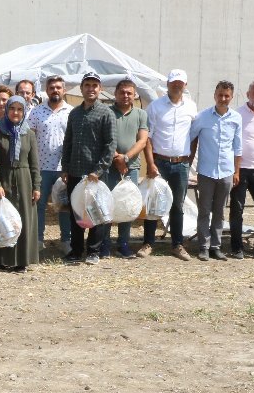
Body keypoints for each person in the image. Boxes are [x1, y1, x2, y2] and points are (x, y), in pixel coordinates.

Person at [137, 69, 198, 260]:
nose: (177, 85)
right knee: (153, 204)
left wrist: (189, 160)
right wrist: (151, 163)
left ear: (185, 85)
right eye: (174, 82)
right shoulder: (155, 107)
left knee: (177, 206)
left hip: (181, 164)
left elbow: (194, 136)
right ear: (168, 84)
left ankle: (177, 244)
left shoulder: (191, 107)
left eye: (180, 83)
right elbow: (148, 139)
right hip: (160, 163)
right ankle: (148, 243)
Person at [61, 72, 116, 265]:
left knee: (96, 213)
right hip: (75, 172)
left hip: (96, 175)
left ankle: (94, 250)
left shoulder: (106, 113)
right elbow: (68, 142)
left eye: (94, 85)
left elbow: (111, 144)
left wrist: (98, 170)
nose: (91, 89)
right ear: (81, 88)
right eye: (87, 85)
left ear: (100, 89)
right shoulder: (74, 113)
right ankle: (76, 250)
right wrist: (65, 167)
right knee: (76, 211)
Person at [0, 96, 40, 272]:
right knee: (2, 219)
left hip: (24, 181)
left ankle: (21, 260)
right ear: (6, 110)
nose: (15, 112)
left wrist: (37, 186)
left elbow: (34, 163)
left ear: (24, 112)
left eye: (19, 109)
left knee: (23, 219)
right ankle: (2, 259)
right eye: (12, 108)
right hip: (4, 179)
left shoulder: (29, 134)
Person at [190, 80, 242, 261]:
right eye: (220, 95)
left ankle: (216, 246)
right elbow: (191, 139)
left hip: (226, 172)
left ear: (231, 97)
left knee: (219, 211)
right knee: (204, 210)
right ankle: (203, 247)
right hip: (206, 172)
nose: (223, 98)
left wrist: (236, 172)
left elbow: (238, 147)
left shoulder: (236, 118)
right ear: (214, 95)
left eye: (227, 96)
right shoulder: (202, 117)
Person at [103, 80, 149, 259]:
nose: (125, 96)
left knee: (128, 206)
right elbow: (104, 138)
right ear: (115, 94)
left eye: (129, 93)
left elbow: (142, 140)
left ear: (134, 95)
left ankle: (123, 244)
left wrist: (126, 158)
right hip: (109, 167)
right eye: (122, 92)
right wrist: (116, 157)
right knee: (108, 204)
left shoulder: (141, 114)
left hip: (132, 168)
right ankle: (105, 244)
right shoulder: (106, 112)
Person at [27, 75, 72, 253]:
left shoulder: (72, 111)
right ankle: (38, 240)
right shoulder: (36, 112)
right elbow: (29, 139)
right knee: (39, 205)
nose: (55, 90)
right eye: (52, 87)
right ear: (47, 90)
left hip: (63, 168)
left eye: (58, 87)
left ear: (64, 90)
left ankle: (66, 241)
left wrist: (69, 167)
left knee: (64, 205)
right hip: (41, 168)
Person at [229, 79, 254, 259]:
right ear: (248, 94)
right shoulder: (237, 114)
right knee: (236, 210)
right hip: (240, 169)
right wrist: (233, 169)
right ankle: (237, 247)